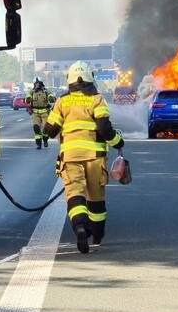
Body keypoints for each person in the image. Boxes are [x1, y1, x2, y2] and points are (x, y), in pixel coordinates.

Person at [44, 61, 124, 253]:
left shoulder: (62, 101)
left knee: (75, 195)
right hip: (95, 158)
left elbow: (49, 130)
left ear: (70, 80)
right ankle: (97, 235)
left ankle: (80, 227)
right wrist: (118, 142)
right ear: (90, 78)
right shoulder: (96, 99)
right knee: (96, 198)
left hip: (70, 157)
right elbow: (105, 128)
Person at [28, 79, 53, 149]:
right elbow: (27, 97)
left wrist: (51, 98)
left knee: (45, 129)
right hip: (35, 113)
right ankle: (38, 144)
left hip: (45, 112)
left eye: (38, 84)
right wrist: (28, 99)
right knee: (36, 128)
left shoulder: (46, 91)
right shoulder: (32, 91)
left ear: (42, 84)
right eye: (36, 84)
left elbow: (51, 96)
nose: (37, 85)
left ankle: (45, 140)